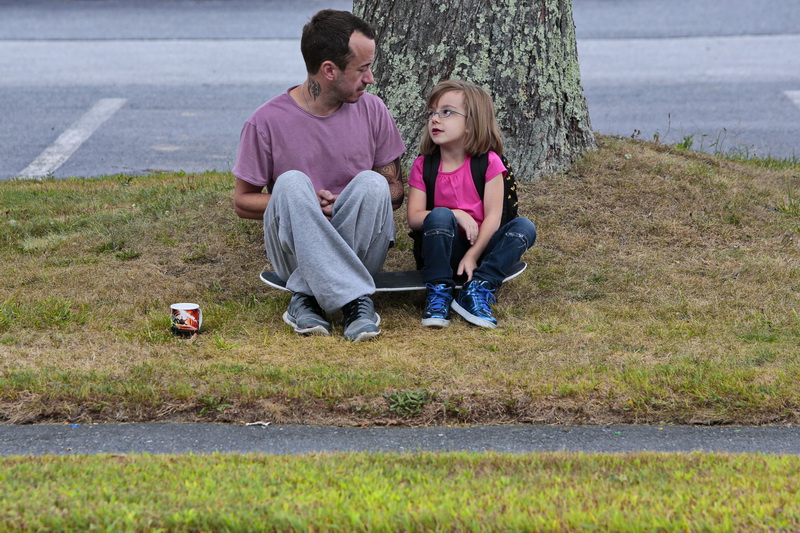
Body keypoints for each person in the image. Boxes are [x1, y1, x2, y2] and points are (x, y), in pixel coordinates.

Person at [232, 10, 406, 342]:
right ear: (329, 70)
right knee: (292, 182)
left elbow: (395, 190)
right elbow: (242, 202)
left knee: (374, 182)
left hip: (359, 246)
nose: (369, 78)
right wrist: (305, 203)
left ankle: (305, 299)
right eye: (362, 69)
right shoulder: (265, 121)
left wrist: (346, 201)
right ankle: (357, 301)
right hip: (294, 252)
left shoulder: (374, 110)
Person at [406, 80, 537, 329]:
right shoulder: (424, 165)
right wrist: (455, 214)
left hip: (481, 251)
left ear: (472, 122)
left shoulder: (489, 163)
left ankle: (479, 287)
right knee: (440, 215)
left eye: (446, 112)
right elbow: (414, 217)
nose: (435, 119)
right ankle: (439, 293)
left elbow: (493, 218)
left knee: (524, 227)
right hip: (441, 250)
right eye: (432, 112)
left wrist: (472, 255)